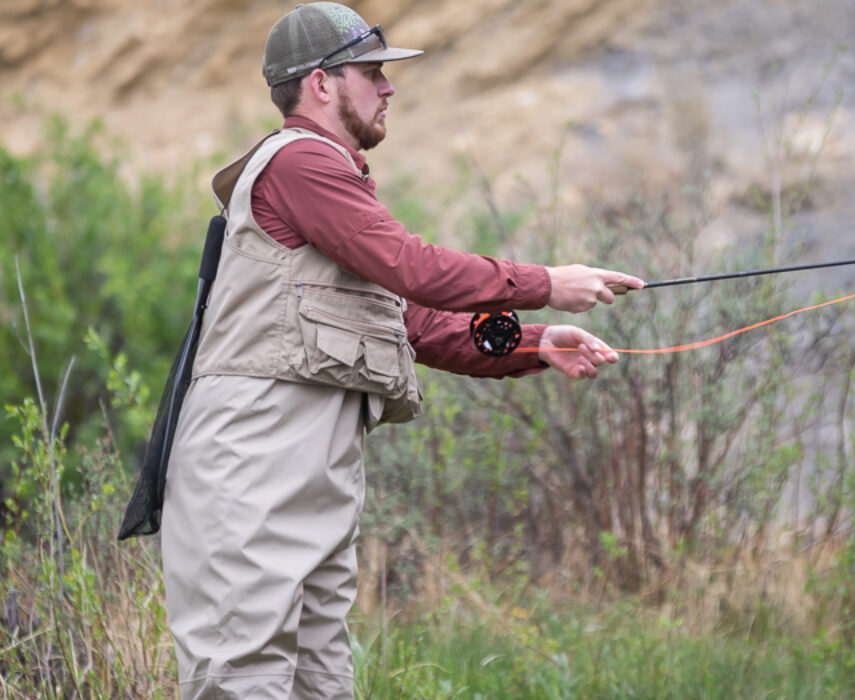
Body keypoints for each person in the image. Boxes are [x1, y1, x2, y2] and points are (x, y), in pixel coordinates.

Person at [160, 3, 644, 698]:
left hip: (306, 478)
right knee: (245, 679)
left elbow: (416, 322)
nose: (389, 89)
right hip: (251, 468)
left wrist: (538, 344)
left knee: (320, 679)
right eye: (372, 73)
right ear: (321, 84)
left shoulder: (333, 188)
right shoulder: (299, 163)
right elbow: (413, 267)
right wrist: (545, 283)